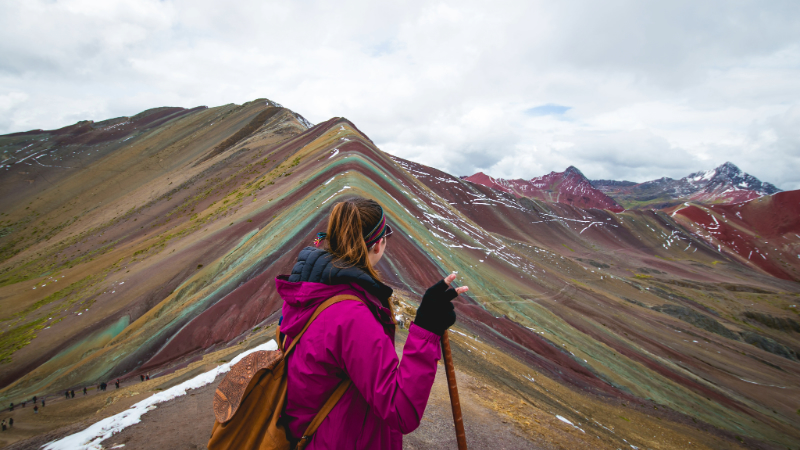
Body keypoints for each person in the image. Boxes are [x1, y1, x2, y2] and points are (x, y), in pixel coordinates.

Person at [276, 198, 468, 449]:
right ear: (378, 244)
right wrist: (427, 327)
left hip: (314, 434)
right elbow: (401, 411)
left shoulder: (307, 292)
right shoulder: (351, 316)